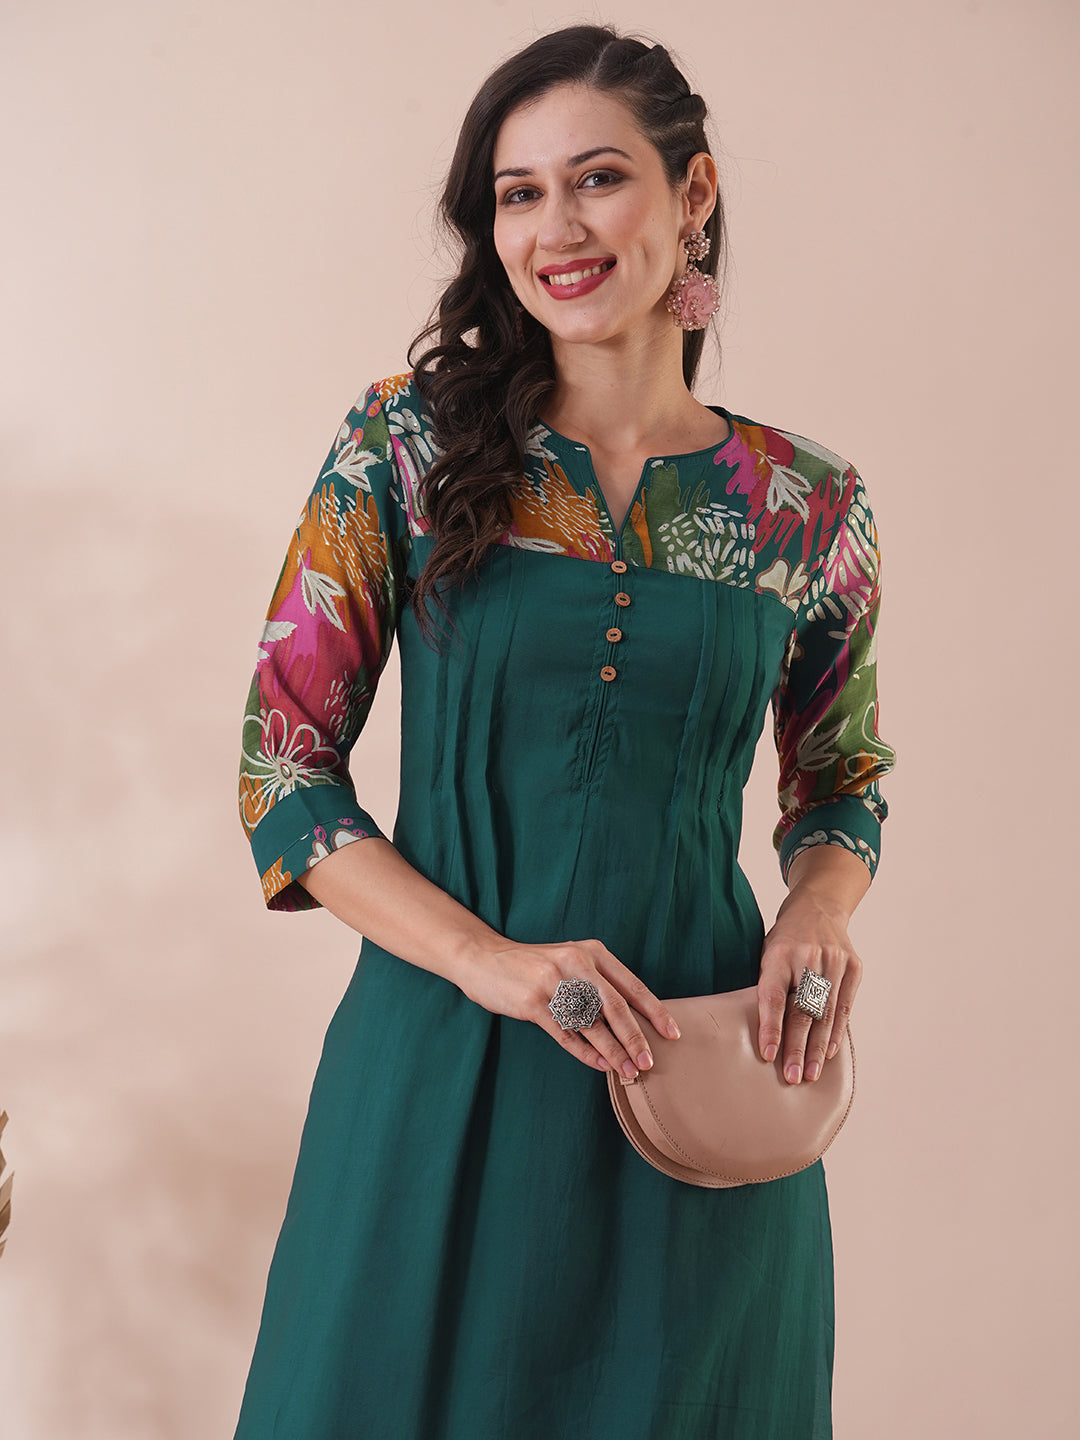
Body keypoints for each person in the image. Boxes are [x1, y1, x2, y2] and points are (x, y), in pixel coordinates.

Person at [234, 23, 894, 1440]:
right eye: (518, 195)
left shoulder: (804, 506)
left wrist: (819, 912)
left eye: (597, 178)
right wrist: (496, 967)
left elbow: (842, 777)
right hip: (436, 1067)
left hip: (699, 1082)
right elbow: (283, 769)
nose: (556, 229)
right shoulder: (405, 447)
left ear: (692, 192)